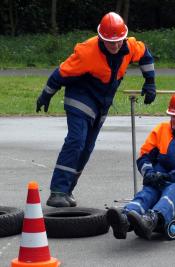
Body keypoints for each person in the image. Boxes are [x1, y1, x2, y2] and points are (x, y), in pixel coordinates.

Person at [36, 12, 156, 207]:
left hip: (101, 103)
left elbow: (145, 55)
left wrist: (150, 82)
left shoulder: (130, 46)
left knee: (87, 148)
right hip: (80, 98)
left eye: (118, 41)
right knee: (76, 141)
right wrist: (46, 94)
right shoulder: (87, 52)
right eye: (110, 42)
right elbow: (60, 73)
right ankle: (57, 190)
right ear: (101, 38)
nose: (115, 46)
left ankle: (67, 191)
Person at [106, 89, 175, 240]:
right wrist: (149, 173)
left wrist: (170, 176)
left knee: (173, 190)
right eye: (172, 115)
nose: (174, 119)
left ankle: (152, 219)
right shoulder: (161, 130)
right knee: (148, 192)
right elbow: (145, 156)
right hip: (161, 178)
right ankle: (125, 219)